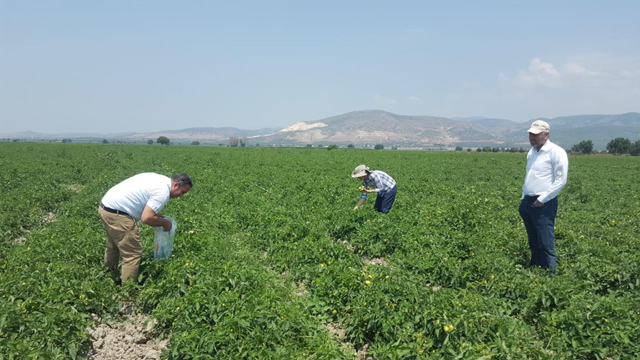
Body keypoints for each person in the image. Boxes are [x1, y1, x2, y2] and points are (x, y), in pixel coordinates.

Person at [98, 172, 192, 283]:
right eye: (182, 192)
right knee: (133, 253)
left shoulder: (160, 179)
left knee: (114, 244)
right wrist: (165, 223)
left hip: (106, 207)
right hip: (118, 214)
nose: (181, 196)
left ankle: (110, 276)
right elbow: (146, 218)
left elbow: (145, 205)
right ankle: (127, 294)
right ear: (176, 185)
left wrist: (156, 217)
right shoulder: (163, 192)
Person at [519, 120, 568, 274]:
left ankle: (549, 274)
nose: (531, 138)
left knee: (545, 240)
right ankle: (535, 268)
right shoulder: (532, 152)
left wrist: (542, 199)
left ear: (546, 135)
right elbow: (530, 176)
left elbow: (560, 180)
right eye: (530, 134)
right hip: (527, 201)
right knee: (533, 240)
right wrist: (523, 197)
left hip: (543, 203)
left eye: (535, 135)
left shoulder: (556, 152)